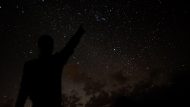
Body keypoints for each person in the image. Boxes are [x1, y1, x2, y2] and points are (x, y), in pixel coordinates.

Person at [15, 25, 85, 107]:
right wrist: (80, 32)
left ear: (39, 46)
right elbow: (69, 47)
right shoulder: (56, 61)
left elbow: (23, 92)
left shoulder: (30, 65)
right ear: (52, 47)